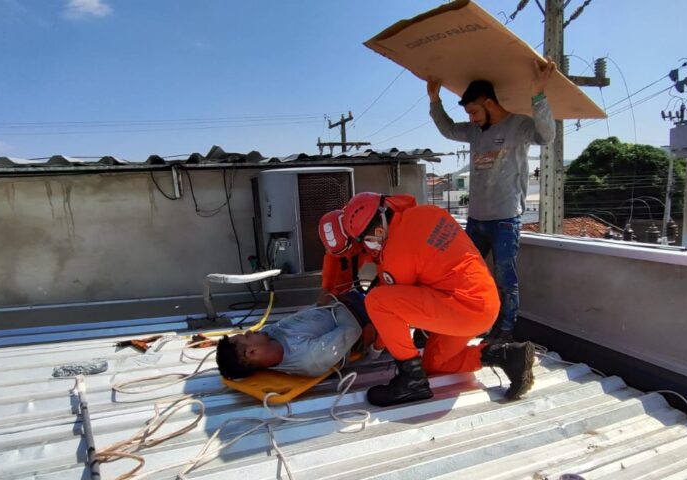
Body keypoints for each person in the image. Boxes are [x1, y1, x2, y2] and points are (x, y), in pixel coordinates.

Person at [341, 192, 537, 407]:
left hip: (462, 309)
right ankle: (506, 356)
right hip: (485, 303)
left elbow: (393, 306)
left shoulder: (396, 253)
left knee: (377, 300)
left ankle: (411, 381)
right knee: (434, 363)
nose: (369, 247)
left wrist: (376, 348)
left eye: (367, 241)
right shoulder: (427, 212)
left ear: (378, 232)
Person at [427, 58, 557, 344]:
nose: (471, 119)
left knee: (504, 278)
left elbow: (547, 136)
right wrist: (435, 101)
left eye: (474, 112)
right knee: (458, 273)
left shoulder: (518, 126)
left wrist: (538, 94)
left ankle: (506, 330)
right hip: (476, 219)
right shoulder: (475, 132)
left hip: (505, 219)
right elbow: (448, 129)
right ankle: (455, 322)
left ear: (488, 102)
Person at [216, 290, 370, 379]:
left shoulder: (268, 336)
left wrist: (321, 303)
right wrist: (336, 303)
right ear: (252, 352)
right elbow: (352, 329)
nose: (250, 331)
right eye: (247, 336)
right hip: (363, 313)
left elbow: (305, 316)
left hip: (340, 299)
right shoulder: (308, 358)